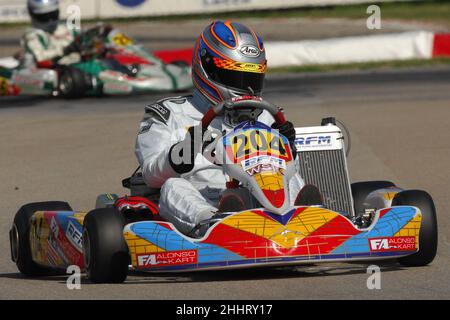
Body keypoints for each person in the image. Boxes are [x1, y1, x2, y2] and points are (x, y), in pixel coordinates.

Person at [135, 21, 304, 236]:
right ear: (207, 69)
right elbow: (150, 175)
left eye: (252, 78)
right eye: (235, 77)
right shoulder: (168, 113)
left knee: (292, 177)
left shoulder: (266, 114)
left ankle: (302, 216)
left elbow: (282, 171)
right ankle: (214, 225)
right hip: (202, 202)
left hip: (259, 199)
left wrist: (289, 150)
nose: (246, 88)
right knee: (172, 186)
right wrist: (180, 154)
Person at [21, 0, 80, 68]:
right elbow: (40, 57)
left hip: (79, 67)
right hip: (54, 72)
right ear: (33, 15)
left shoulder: (68, 29)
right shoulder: (32, 35)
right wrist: (64, 50)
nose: (50, 20)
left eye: (53, 15)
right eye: (45, 17)